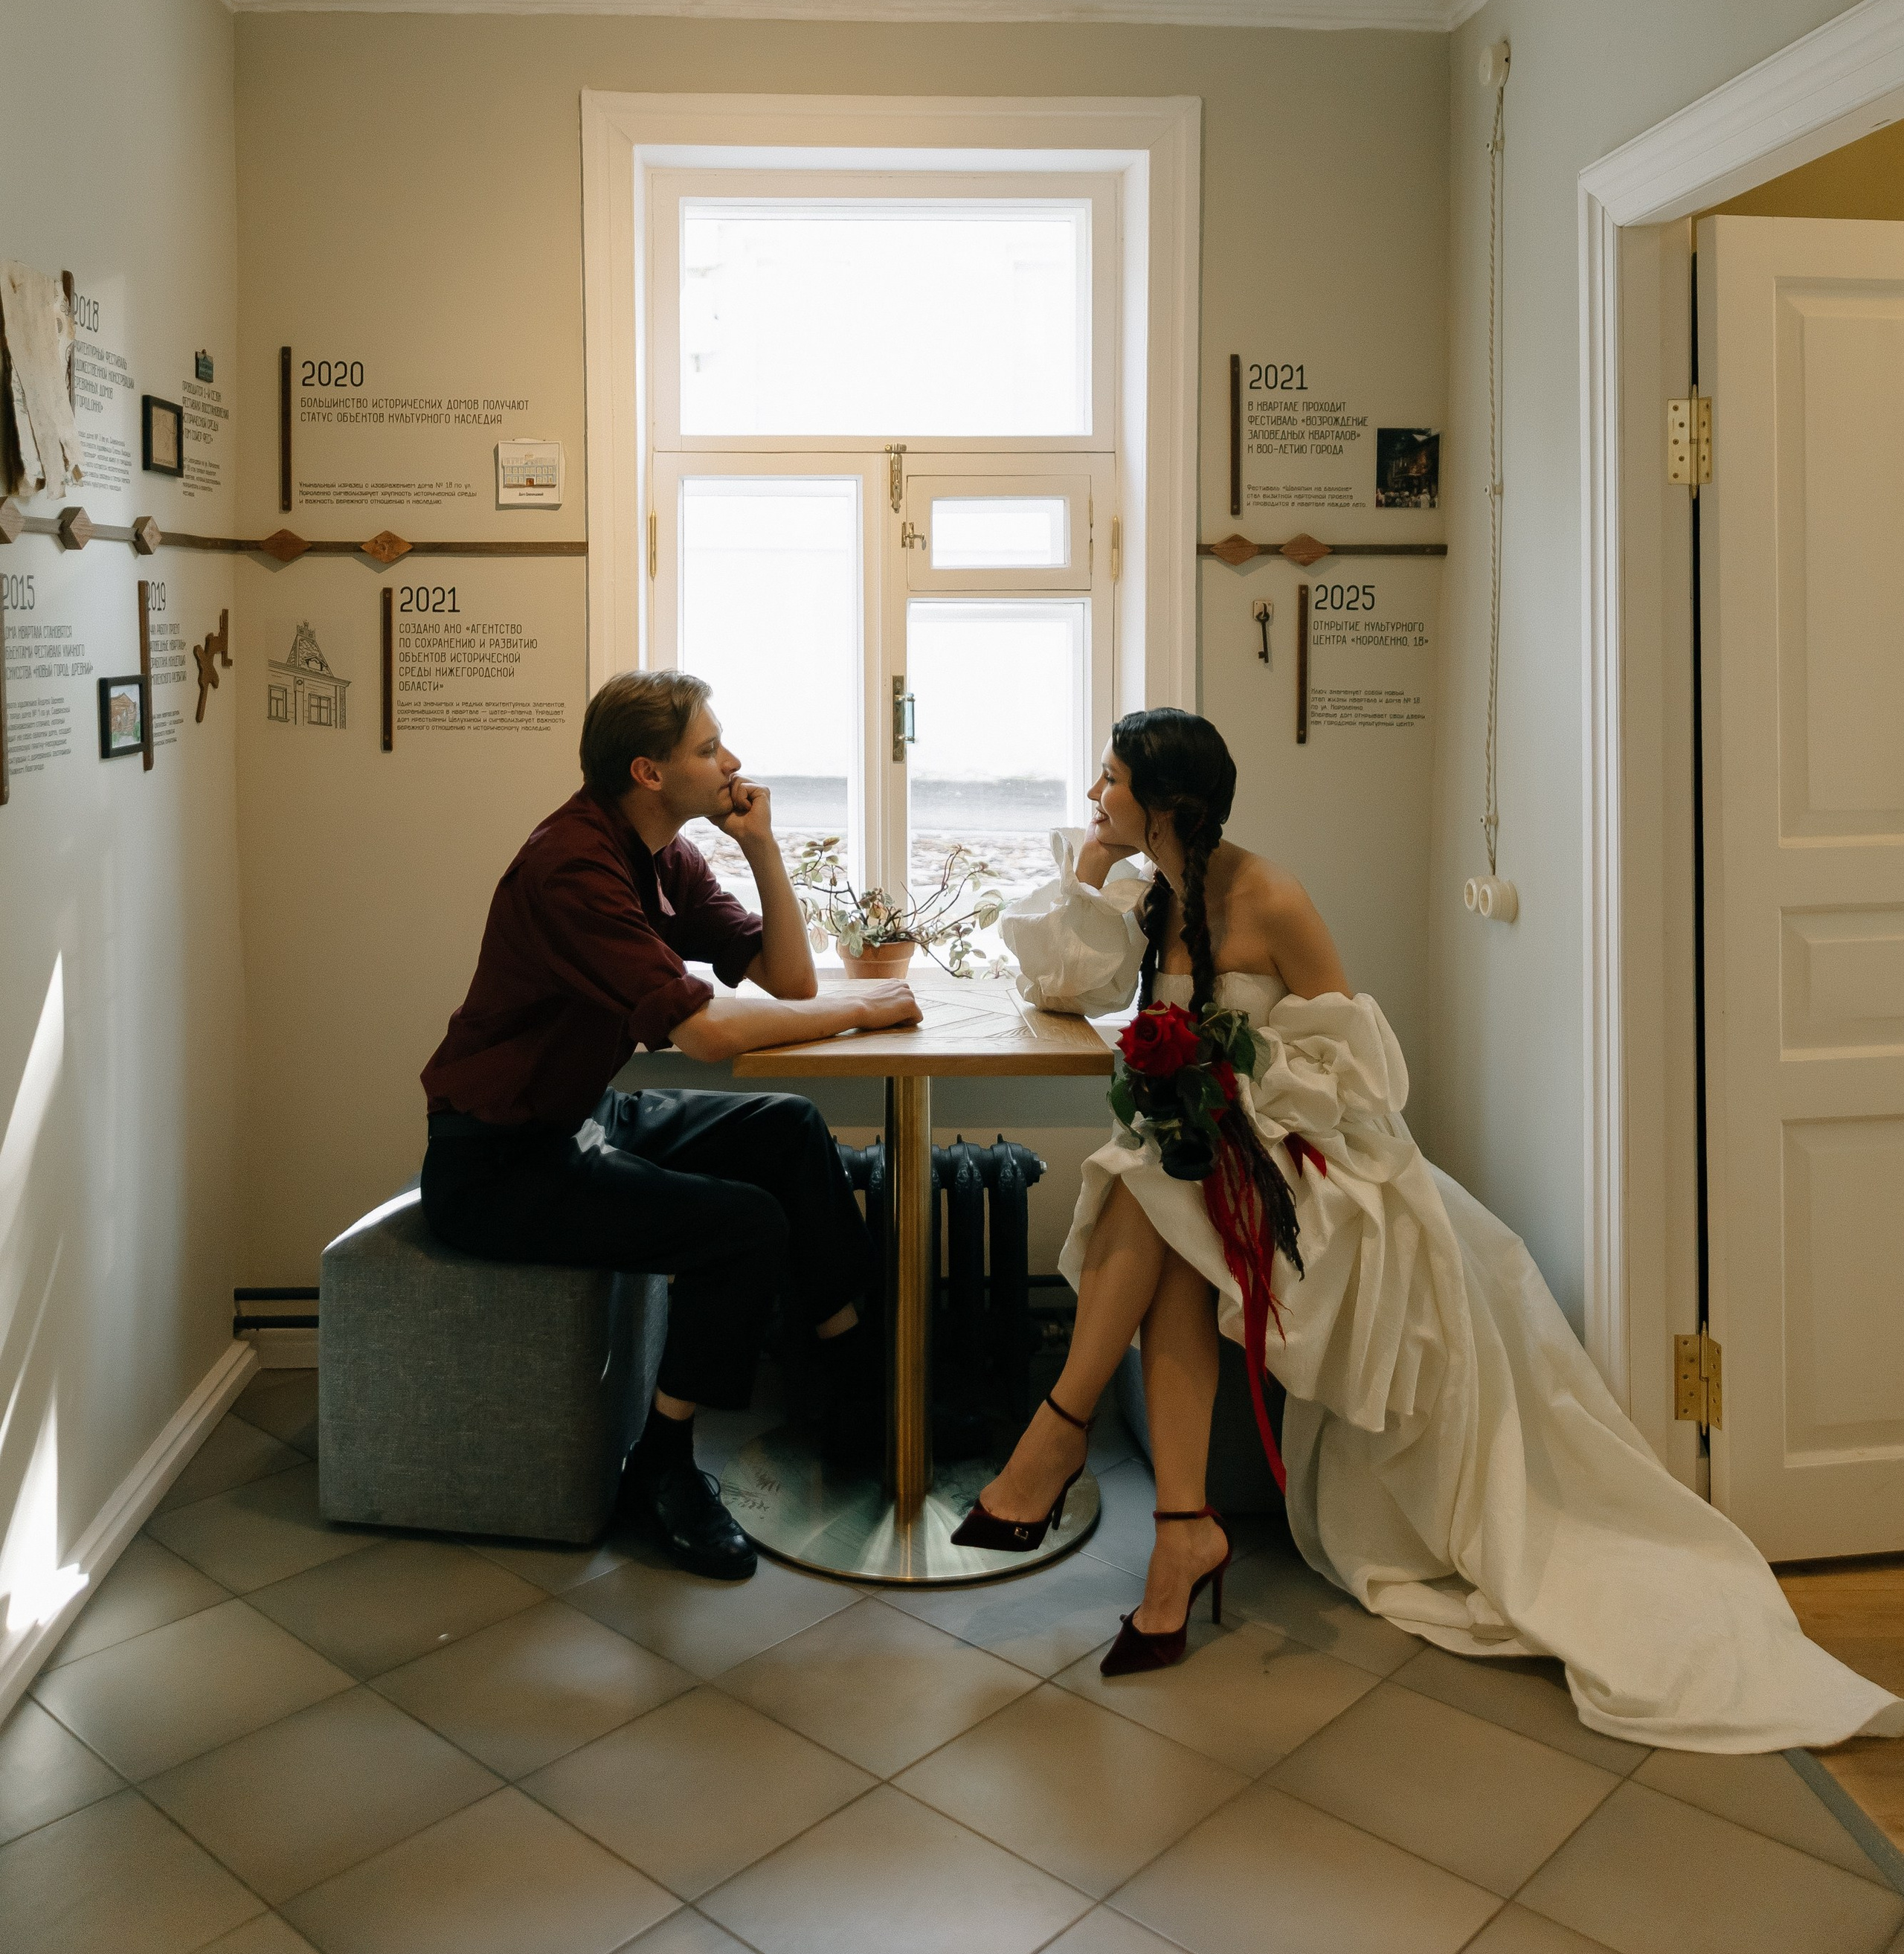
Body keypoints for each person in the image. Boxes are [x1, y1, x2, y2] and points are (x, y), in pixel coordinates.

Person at [956, 704, 1902, 1751]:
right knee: (1165, 1213)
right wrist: (1091, 870)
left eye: (1110, 782)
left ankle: (1059, 1434)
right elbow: (1056, 982)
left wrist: (1240, 1081)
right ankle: (1181, 1533)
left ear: (1167, 801)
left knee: (1147, 1187)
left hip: (1313, 1157)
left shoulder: (1268, 894)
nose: (1095, 796)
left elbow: (1362, 1067)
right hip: (1212, 1157)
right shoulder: (1150, 895)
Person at [418, 668, 919, 1581]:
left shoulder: (667, 854)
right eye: (707, 748)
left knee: (787, 1127)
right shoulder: (572, 867)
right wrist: (864, 1012)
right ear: (649, 773)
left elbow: (790, 982)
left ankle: (851, 1388)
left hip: (581, 1119)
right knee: (742, 1227)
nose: (730, 761)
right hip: (497, 1164)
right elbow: (709, 1032)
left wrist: (762, 848)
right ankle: (663, 1467)